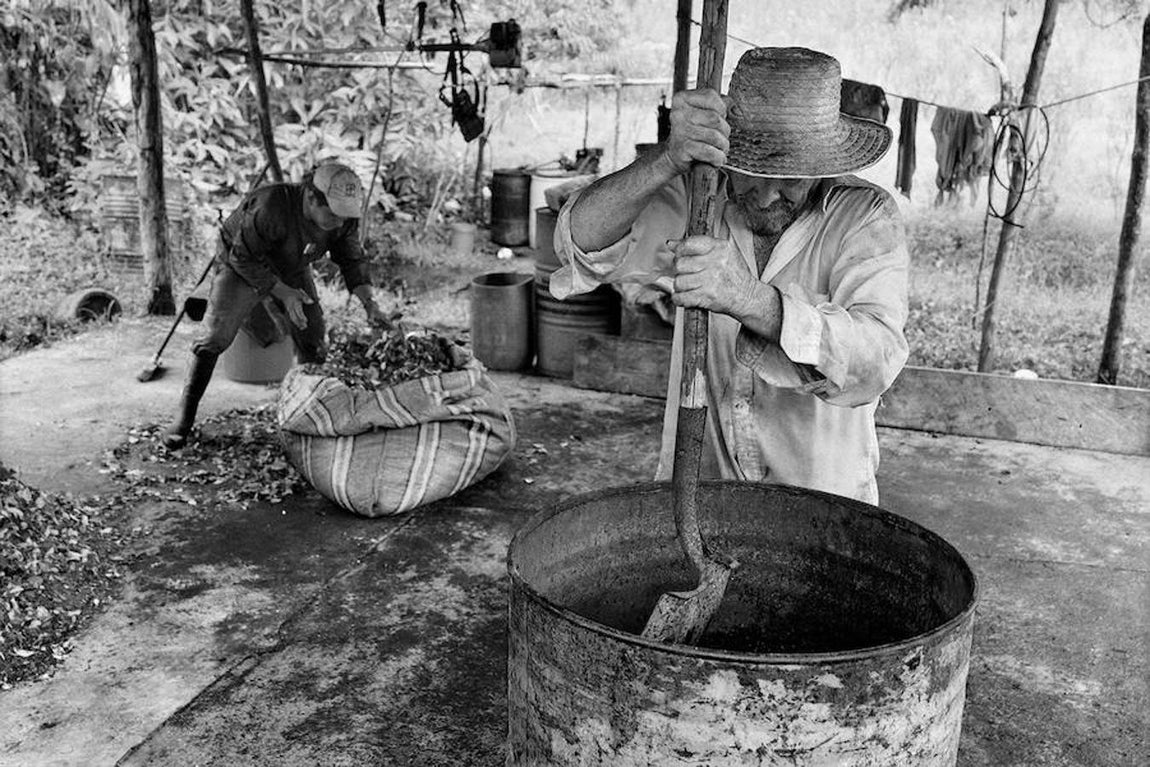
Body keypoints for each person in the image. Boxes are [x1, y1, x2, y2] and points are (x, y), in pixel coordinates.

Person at [551, 47, 910, 504]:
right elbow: (577, 241)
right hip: (703, 496)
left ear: (823, 167)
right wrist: (668, 158)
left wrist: (751, 299)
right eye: (749, 173)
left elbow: (875, 360)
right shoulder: (702, 193)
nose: (763, 197)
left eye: (789, 179)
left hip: (824, 507)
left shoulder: (865, 217)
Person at [163, 161, 390, 449]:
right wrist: (283, 293)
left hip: (292, 266)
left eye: (345, 216)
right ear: (310, 197)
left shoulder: (344, 217)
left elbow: (352, 260)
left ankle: (308, 414)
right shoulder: (270, 205)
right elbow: (242, 257)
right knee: (216, 337)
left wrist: (370, 304)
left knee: (313, 336)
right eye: (333, 214)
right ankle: (184, 417)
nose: (340, 222)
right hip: (243, 265)